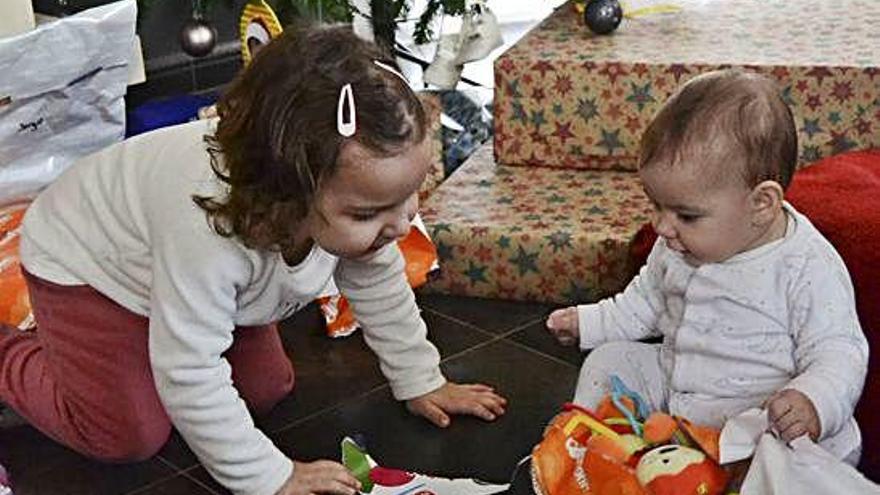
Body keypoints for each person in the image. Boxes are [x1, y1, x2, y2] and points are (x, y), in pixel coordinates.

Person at [0, 25, 507, 495]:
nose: (400, 224)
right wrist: (268, 476)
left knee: (266, 389)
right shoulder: (207, 233)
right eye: (370, 212)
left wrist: (422, 380)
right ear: (284, 193)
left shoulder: (342, 196)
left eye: (409, 196)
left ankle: (146, 346)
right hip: (88, 264)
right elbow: (190, 368)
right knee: (128, 434)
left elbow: (381, 286)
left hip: (166, 263)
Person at [545, 70, 868, 464]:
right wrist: (591, 322)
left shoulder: (805, 266)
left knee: (796, 462)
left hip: (761, 417)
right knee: (610, 359)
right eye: (656, 206)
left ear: (761, 205)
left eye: (686, 215)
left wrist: (812, 400)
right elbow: (645, 301)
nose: (662, 227)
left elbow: (840, 352)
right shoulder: (675, 244)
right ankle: (594, 451)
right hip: (679, 391)